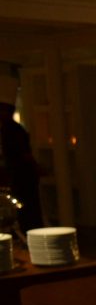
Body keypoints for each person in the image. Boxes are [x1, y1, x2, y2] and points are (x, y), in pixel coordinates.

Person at [0, 74, 44, 232]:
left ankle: (31, 232)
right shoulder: (9, 129)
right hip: (17, 173)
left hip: (22, 174)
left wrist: (36, 167)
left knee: (27, 207)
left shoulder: (12, 129)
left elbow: (24, 153)